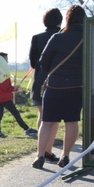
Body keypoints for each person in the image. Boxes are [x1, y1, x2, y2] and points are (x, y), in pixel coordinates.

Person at [32, 4, 85, 169]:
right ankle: (65, 155)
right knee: (71, 121)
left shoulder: (58, 37)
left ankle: (40, 156)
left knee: (47, 121)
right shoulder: (88, 37)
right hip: (76, 86)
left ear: (67, 19)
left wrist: (53, 73)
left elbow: (42, 62)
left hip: (55, 86)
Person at [30, 8, 63, 162]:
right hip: (57, 81)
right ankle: (48, 151)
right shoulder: (63, 37)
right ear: (60, 21)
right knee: (53, 119)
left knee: (42, 116)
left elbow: (32, 63)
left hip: (39, 81)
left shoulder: (36, 38)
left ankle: (41, 151)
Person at [0, 52, 38, 138]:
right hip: (4, 98)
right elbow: (5, 86)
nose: (7, 62)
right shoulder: (3, 71)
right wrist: (13, 88)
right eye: (6, 60)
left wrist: (12, 88)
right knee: (16, 114)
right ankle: (27, 129)